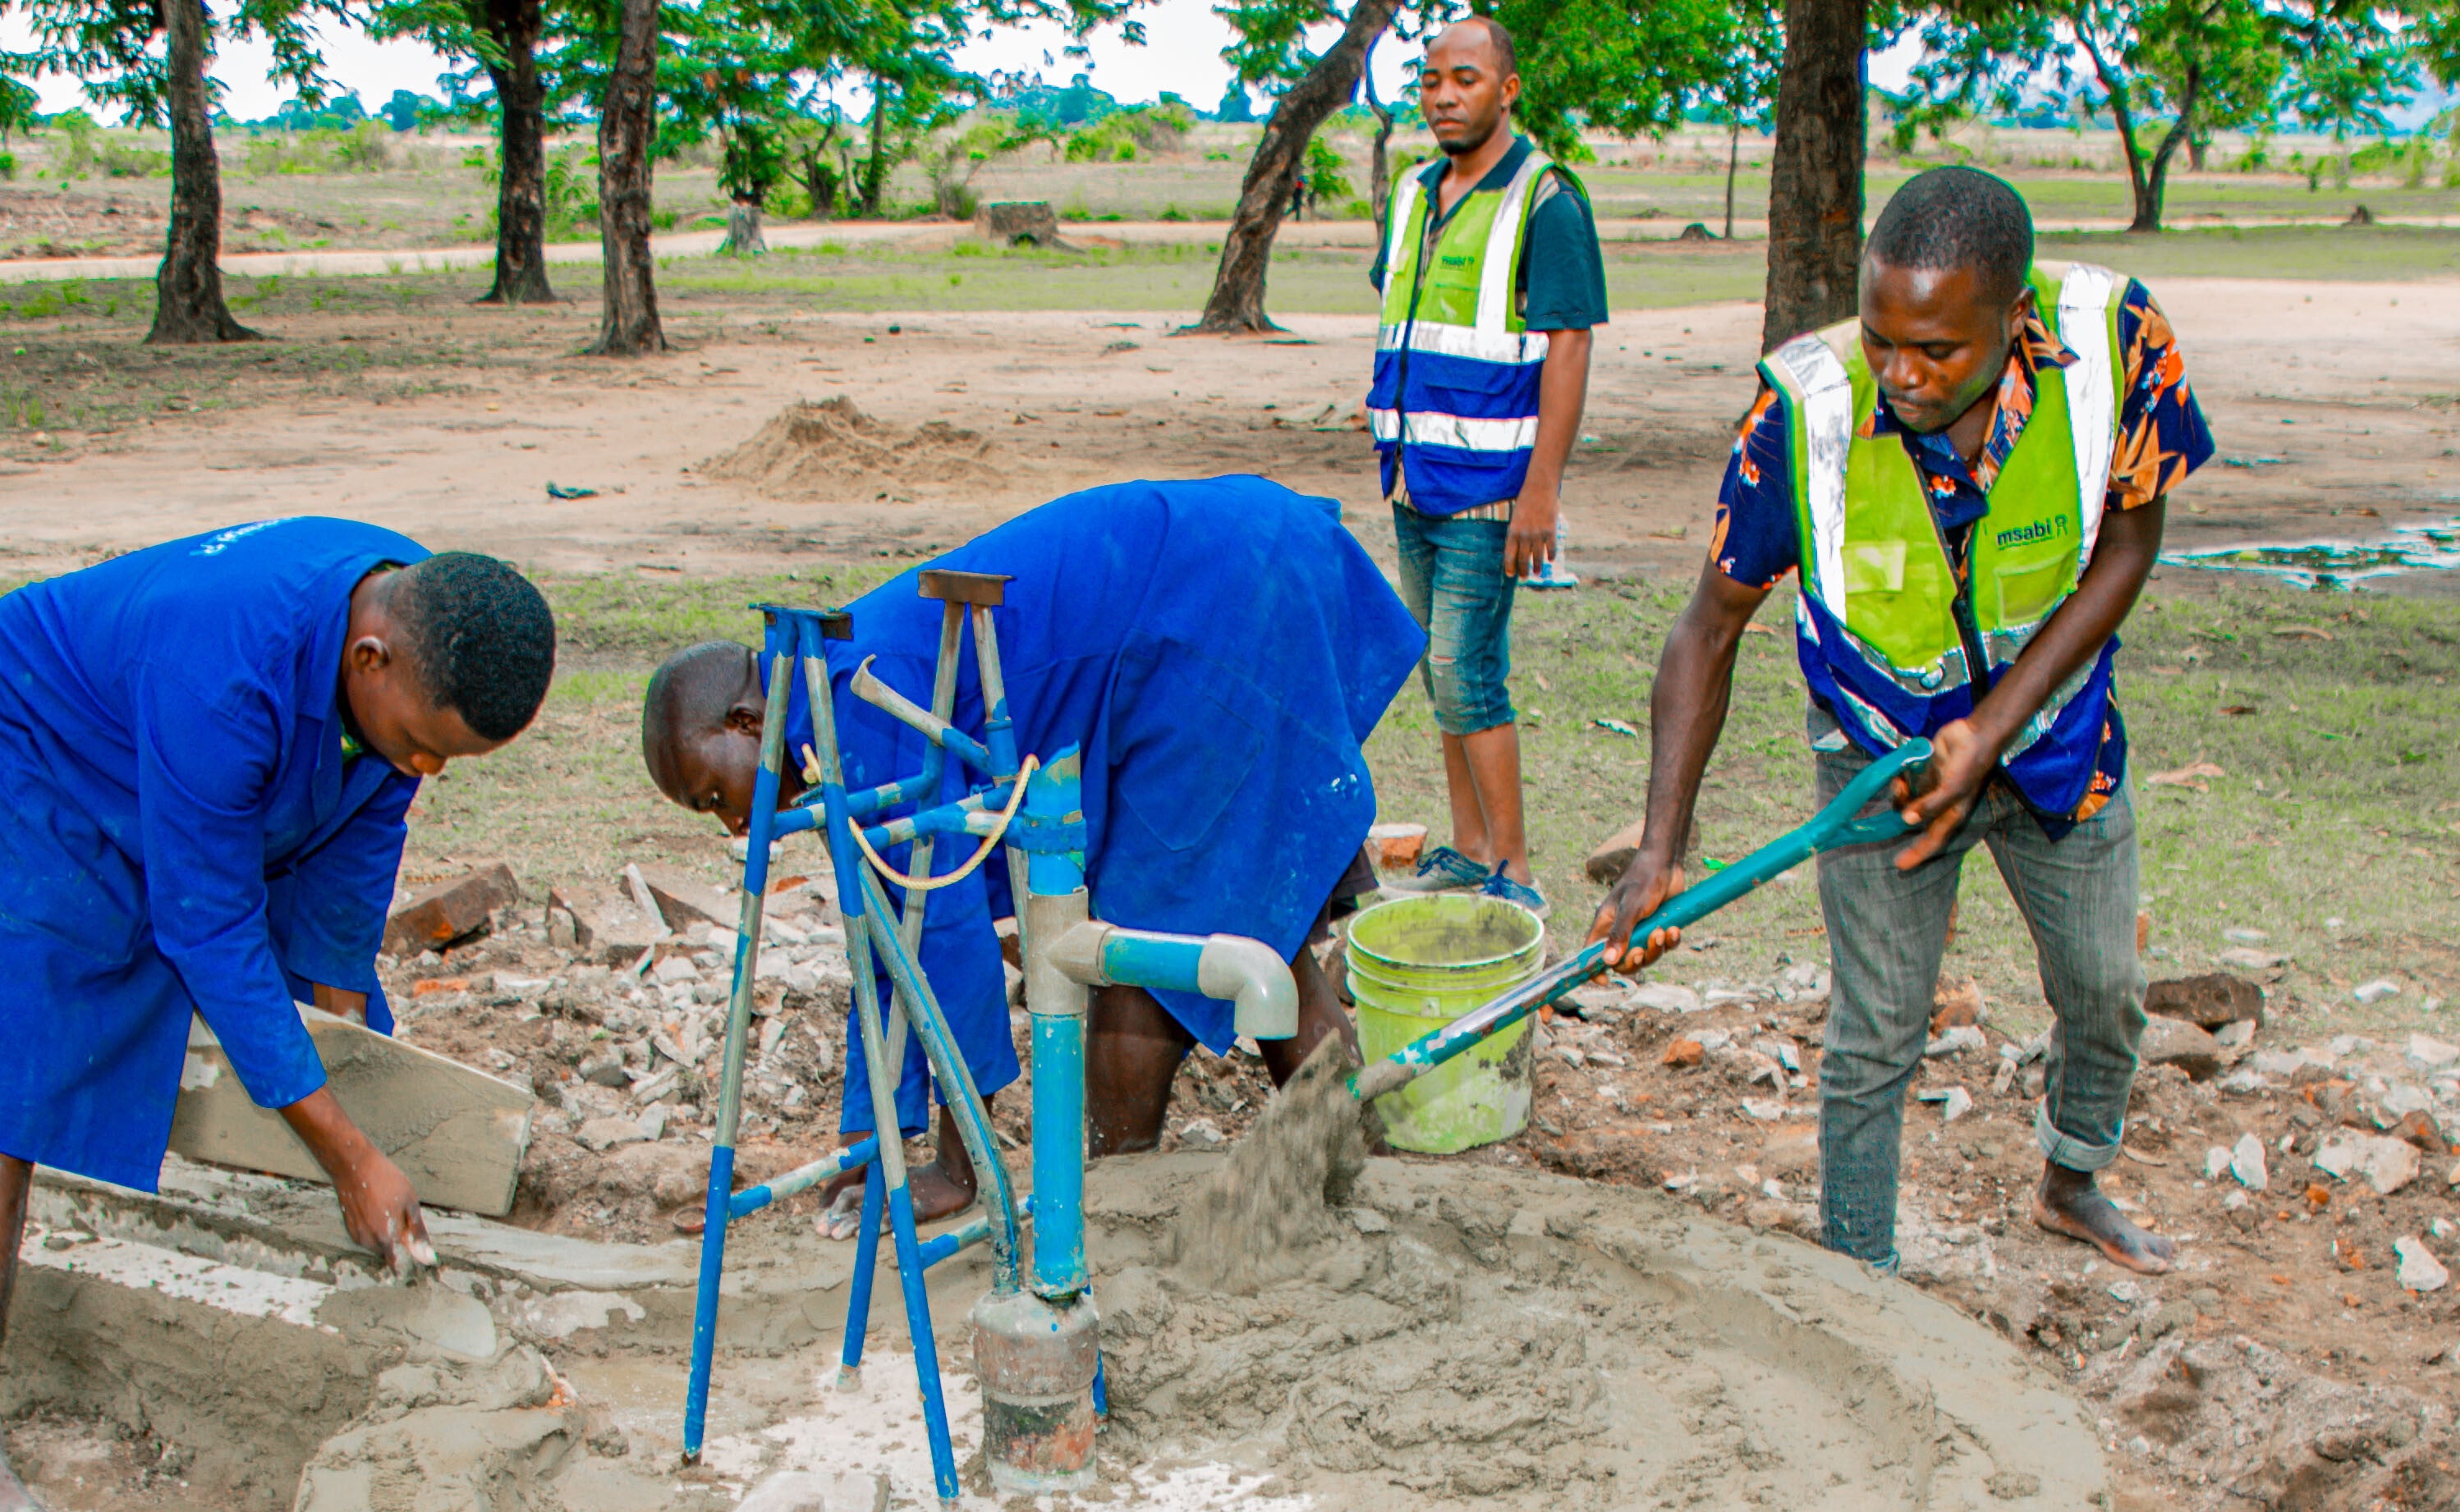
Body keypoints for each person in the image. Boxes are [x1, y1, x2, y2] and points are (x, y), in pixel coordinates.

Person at [1591, 167, 2214, 1279]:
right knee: (1874, 1030)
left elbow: (2128, 547)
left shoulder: (2115, 345)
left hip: (2056, 741)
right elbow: (1706, 629)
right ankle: (1858, 1276)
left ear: (2013, 319)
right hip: (1876, 764)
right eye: (1880, 339)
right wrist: (1658, 847)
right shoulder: (1804, 413)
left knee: (2103, 993)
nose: (1900, 374)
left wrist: (1993, 730)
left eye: (1936, 350)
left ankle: (2072, 1179)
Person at [0, 520, 556, 1512]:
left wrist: (342, 1026)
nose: (428, 766)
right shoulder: (220, 677)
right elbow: (207, 928)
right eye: (423, 742)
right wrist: (349, 1157)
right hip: (41, 739)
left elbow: (359, 838)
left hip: (190, 739)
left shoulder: (423, 616)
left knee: (293, 971)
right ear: (369, 659)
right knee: (20, 1056)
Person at [638, 477, 1422, 1205]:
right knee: (1260, 937)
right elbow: (889, 943)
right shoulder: (822, 685)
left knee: (1137, 961)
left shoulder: (855, 706)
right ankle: (1370, 1185)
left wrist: (960, 1166)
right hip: (1235, 562)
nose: (734, 826)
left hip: (1213, 610)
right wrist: (869, 1139)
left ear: (745, 722)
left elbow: (941, 939)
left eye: (714, 797)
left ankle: (1118, 1218)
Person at [1365, 14, 1604, 913]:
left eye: (1464, 79)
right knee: (1439, 672)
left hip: (1490, 488)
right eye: (1430, 81)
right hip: (1412, 475)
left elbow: (1569, 345)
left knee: (1466, 671)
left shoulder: (1545, 200)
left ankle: (1515, 870)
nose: (1443, 96)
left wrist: (1541, 491)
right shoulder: (1413, 192)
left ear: (1506, 91)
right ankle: (1469, 851)